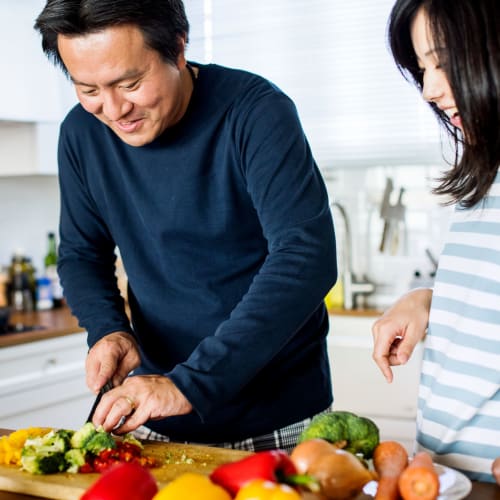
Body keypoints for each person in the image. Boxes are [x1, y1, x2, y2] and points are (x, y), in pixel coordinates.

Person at [34, 0, 337, 452]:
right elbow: (81, 254)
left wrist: (189, 385)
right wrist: (108, 329)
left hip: (279, 419)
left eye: (130, 83)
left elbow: (306, 257)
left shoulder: (255, 112)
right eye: (88, 88)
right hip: (156, 414)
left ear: (178, 48)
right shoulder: (80, 133)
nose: (114, 109)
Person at [372, 0, 500, 483]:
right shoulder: (486, 176)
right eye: (423, 67)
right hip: (444, 473)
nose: (429, 89)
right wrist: (430, 300)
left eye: (443, 61)